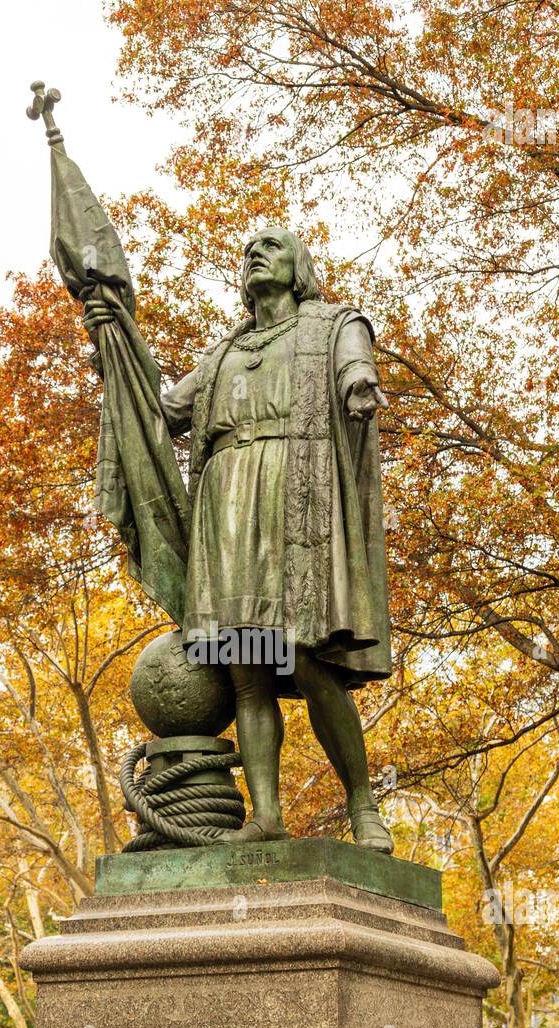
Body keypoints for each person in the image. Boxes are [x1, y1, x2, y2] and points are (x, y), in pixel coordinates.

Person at [84, 227, 394, 851]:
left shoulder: (334, 325)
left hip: (297, 499)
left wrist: (359, 386)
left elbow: (356, 369)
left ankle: (363, 808)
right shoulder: (224, 354)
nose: (255, 253)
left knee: (306, 657)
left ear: (300, 266)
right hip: (226, 508)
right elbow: (158, 413)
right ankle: (267, 816)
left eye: (271, 247)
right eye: (248, 248)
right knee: (249, 668)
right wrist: (110, 345)